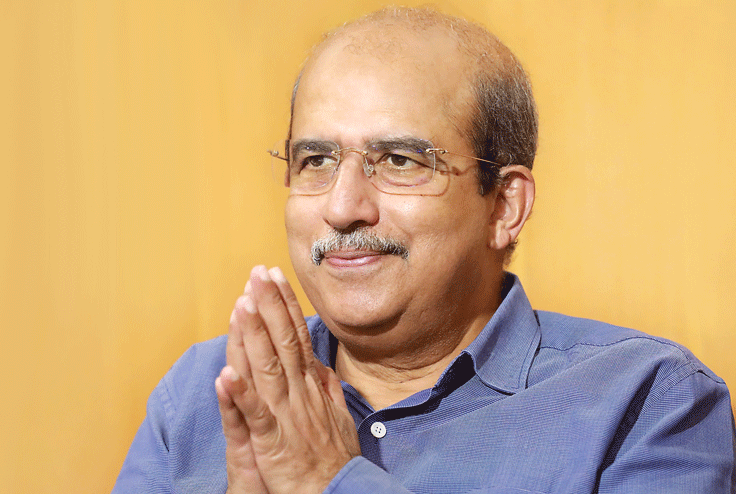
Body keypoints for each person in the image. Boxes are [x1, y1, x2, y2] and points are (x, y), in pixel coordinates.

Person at [112, 7, 735, 493]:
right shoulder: (204, 393)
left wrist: (328, 481)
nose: (343, 206)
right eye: (317, 160)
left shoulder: (648, 402)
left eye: (398, 160)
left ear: (504, 206)